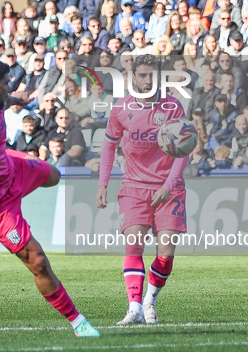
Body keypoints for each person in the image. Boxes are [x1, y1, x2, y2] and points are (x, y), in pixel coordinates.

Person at [0, 58, 99, 337]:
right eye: (5, 84)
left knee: (54, 175)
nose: (8, 88)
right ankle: (78, 322)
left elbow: (12, 98)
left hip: (13, 168)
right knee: (37, 261)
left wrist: (24, 98)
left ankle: (21, 160)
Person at [94, 54, 187, 325]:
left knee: (166, 254)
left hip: (169, 189)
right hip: (134, 187)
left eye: (152, 76)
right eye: (143, 75)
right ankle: (134, 308)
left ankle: (150, 301)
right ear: (133, 78)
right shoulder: (121, 107)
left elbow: (183, 152)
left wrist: (168, 187)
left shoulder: (172, 107)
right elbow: (109, 146)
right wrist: (103, 184)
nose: (148, 81)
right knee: (133, 246)